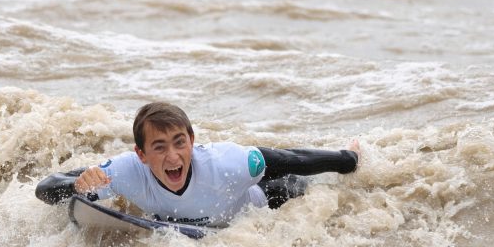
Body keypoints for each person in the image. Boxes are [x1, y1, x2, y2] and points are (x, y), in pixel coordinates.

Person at [35, 102, 359, 228]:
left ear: (191, 140)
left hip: (259, 203)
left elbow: (291, 159)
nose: (173, 156)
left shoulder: (229, 162)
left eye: (179, 142)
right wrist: (76, 186)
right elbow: (46, 189)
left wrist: (347, 160)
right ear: (141, 154)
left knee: (296, 185)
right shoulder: (123, 171)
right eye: (159, 147)